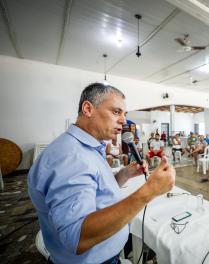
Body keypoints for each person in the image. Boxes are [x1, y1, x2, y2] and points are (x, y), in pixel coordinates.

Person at [28, 83, 175, 263]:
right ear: (88, 108)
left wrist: (123, 175)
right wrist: (149, 191)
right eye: (116, 112)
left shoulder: (85, 147)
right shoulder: (71, 157)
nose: (123, 120)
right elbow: (77, 237)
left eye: (124, 114)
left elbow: (93, 190)